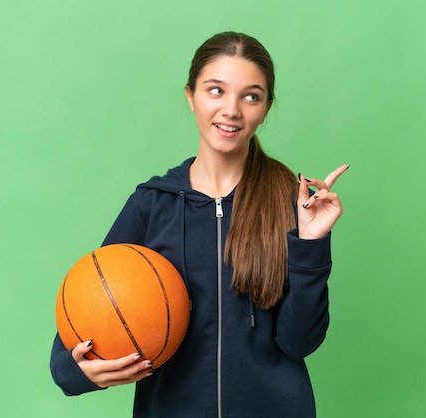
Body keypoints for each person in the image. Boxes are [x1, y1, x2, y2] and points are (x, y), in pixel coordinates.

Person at [50, 31, 349, 417]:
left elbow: (299, 342)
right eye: (215, 90)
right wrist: (76, 371)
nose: (231, 110)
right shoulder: (151, 203)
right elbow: (83, 314)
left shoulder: (291, 202)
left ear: (266, 107)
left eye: (251, 96)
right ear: (191, 96)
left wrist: (311, 241)